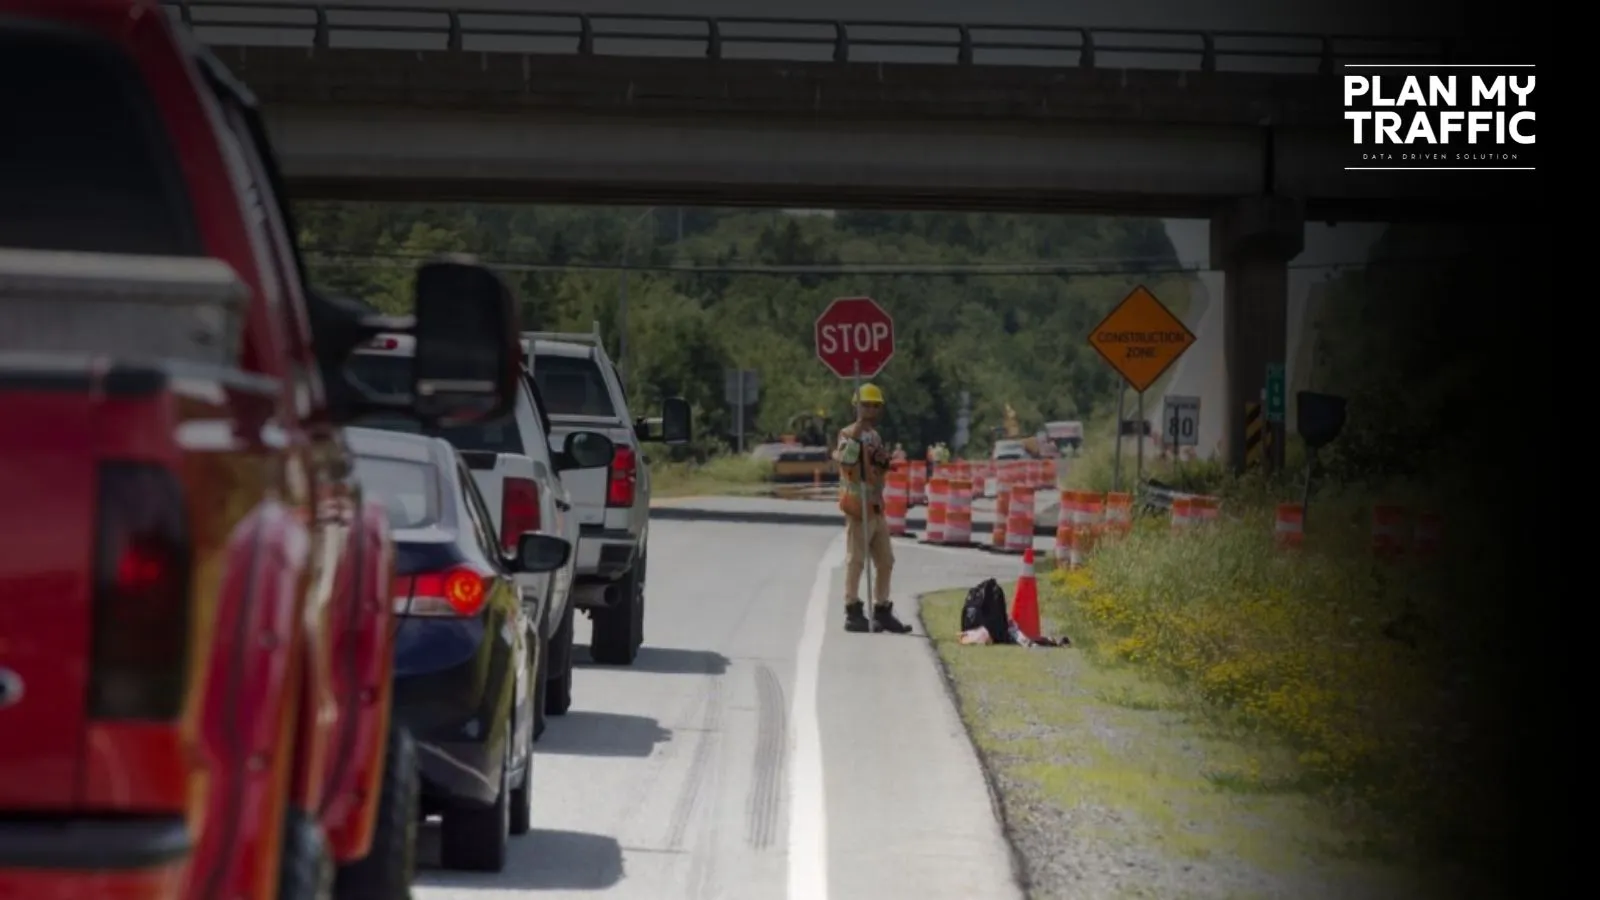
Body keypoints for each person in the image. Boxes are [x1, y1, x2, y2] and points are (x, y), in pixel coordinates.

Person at [833, 383, 912, 634]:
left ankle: (882, 610)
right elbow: (846, 460)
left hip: (876, 508)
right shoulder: (847, 434)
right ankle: (853, 609)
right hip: (858, 509)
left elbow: (880, 463)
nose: (870, 410)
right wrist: (857, 432)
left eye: (874, 405)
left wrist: (885, 461)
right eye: (865, 405)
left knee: (886, 561)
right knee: (856, 561)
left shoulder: (875, 436)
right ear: (856, 406)